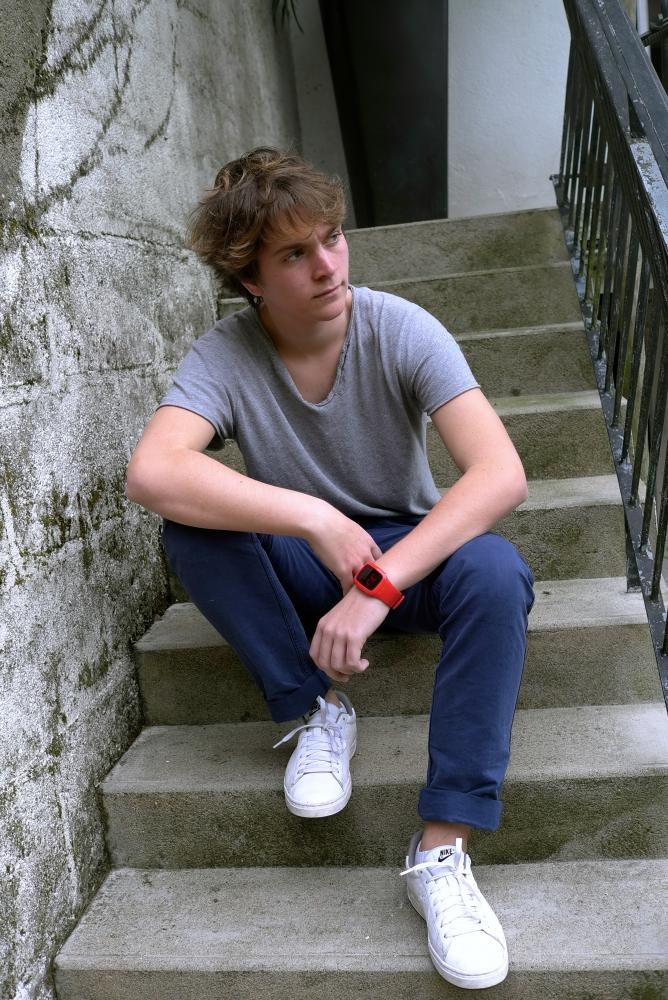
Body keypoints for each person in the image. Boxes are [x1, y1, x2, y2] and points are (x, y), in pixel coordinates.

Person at [126, 147, 534, 990]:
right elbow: (153, 472)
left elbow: (500, 475)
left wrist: (379, 587)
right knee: (191, 529)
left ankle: (441, 848)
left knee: (497, 574)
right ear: (250, 280)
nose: (328, 266)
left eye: (333, 238)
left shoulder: (401, 328)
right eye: (294, 254)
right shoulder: (226, 355)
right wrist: (314, 517)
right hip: (310, 563)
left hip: (407, 562)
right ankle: (316, 708)